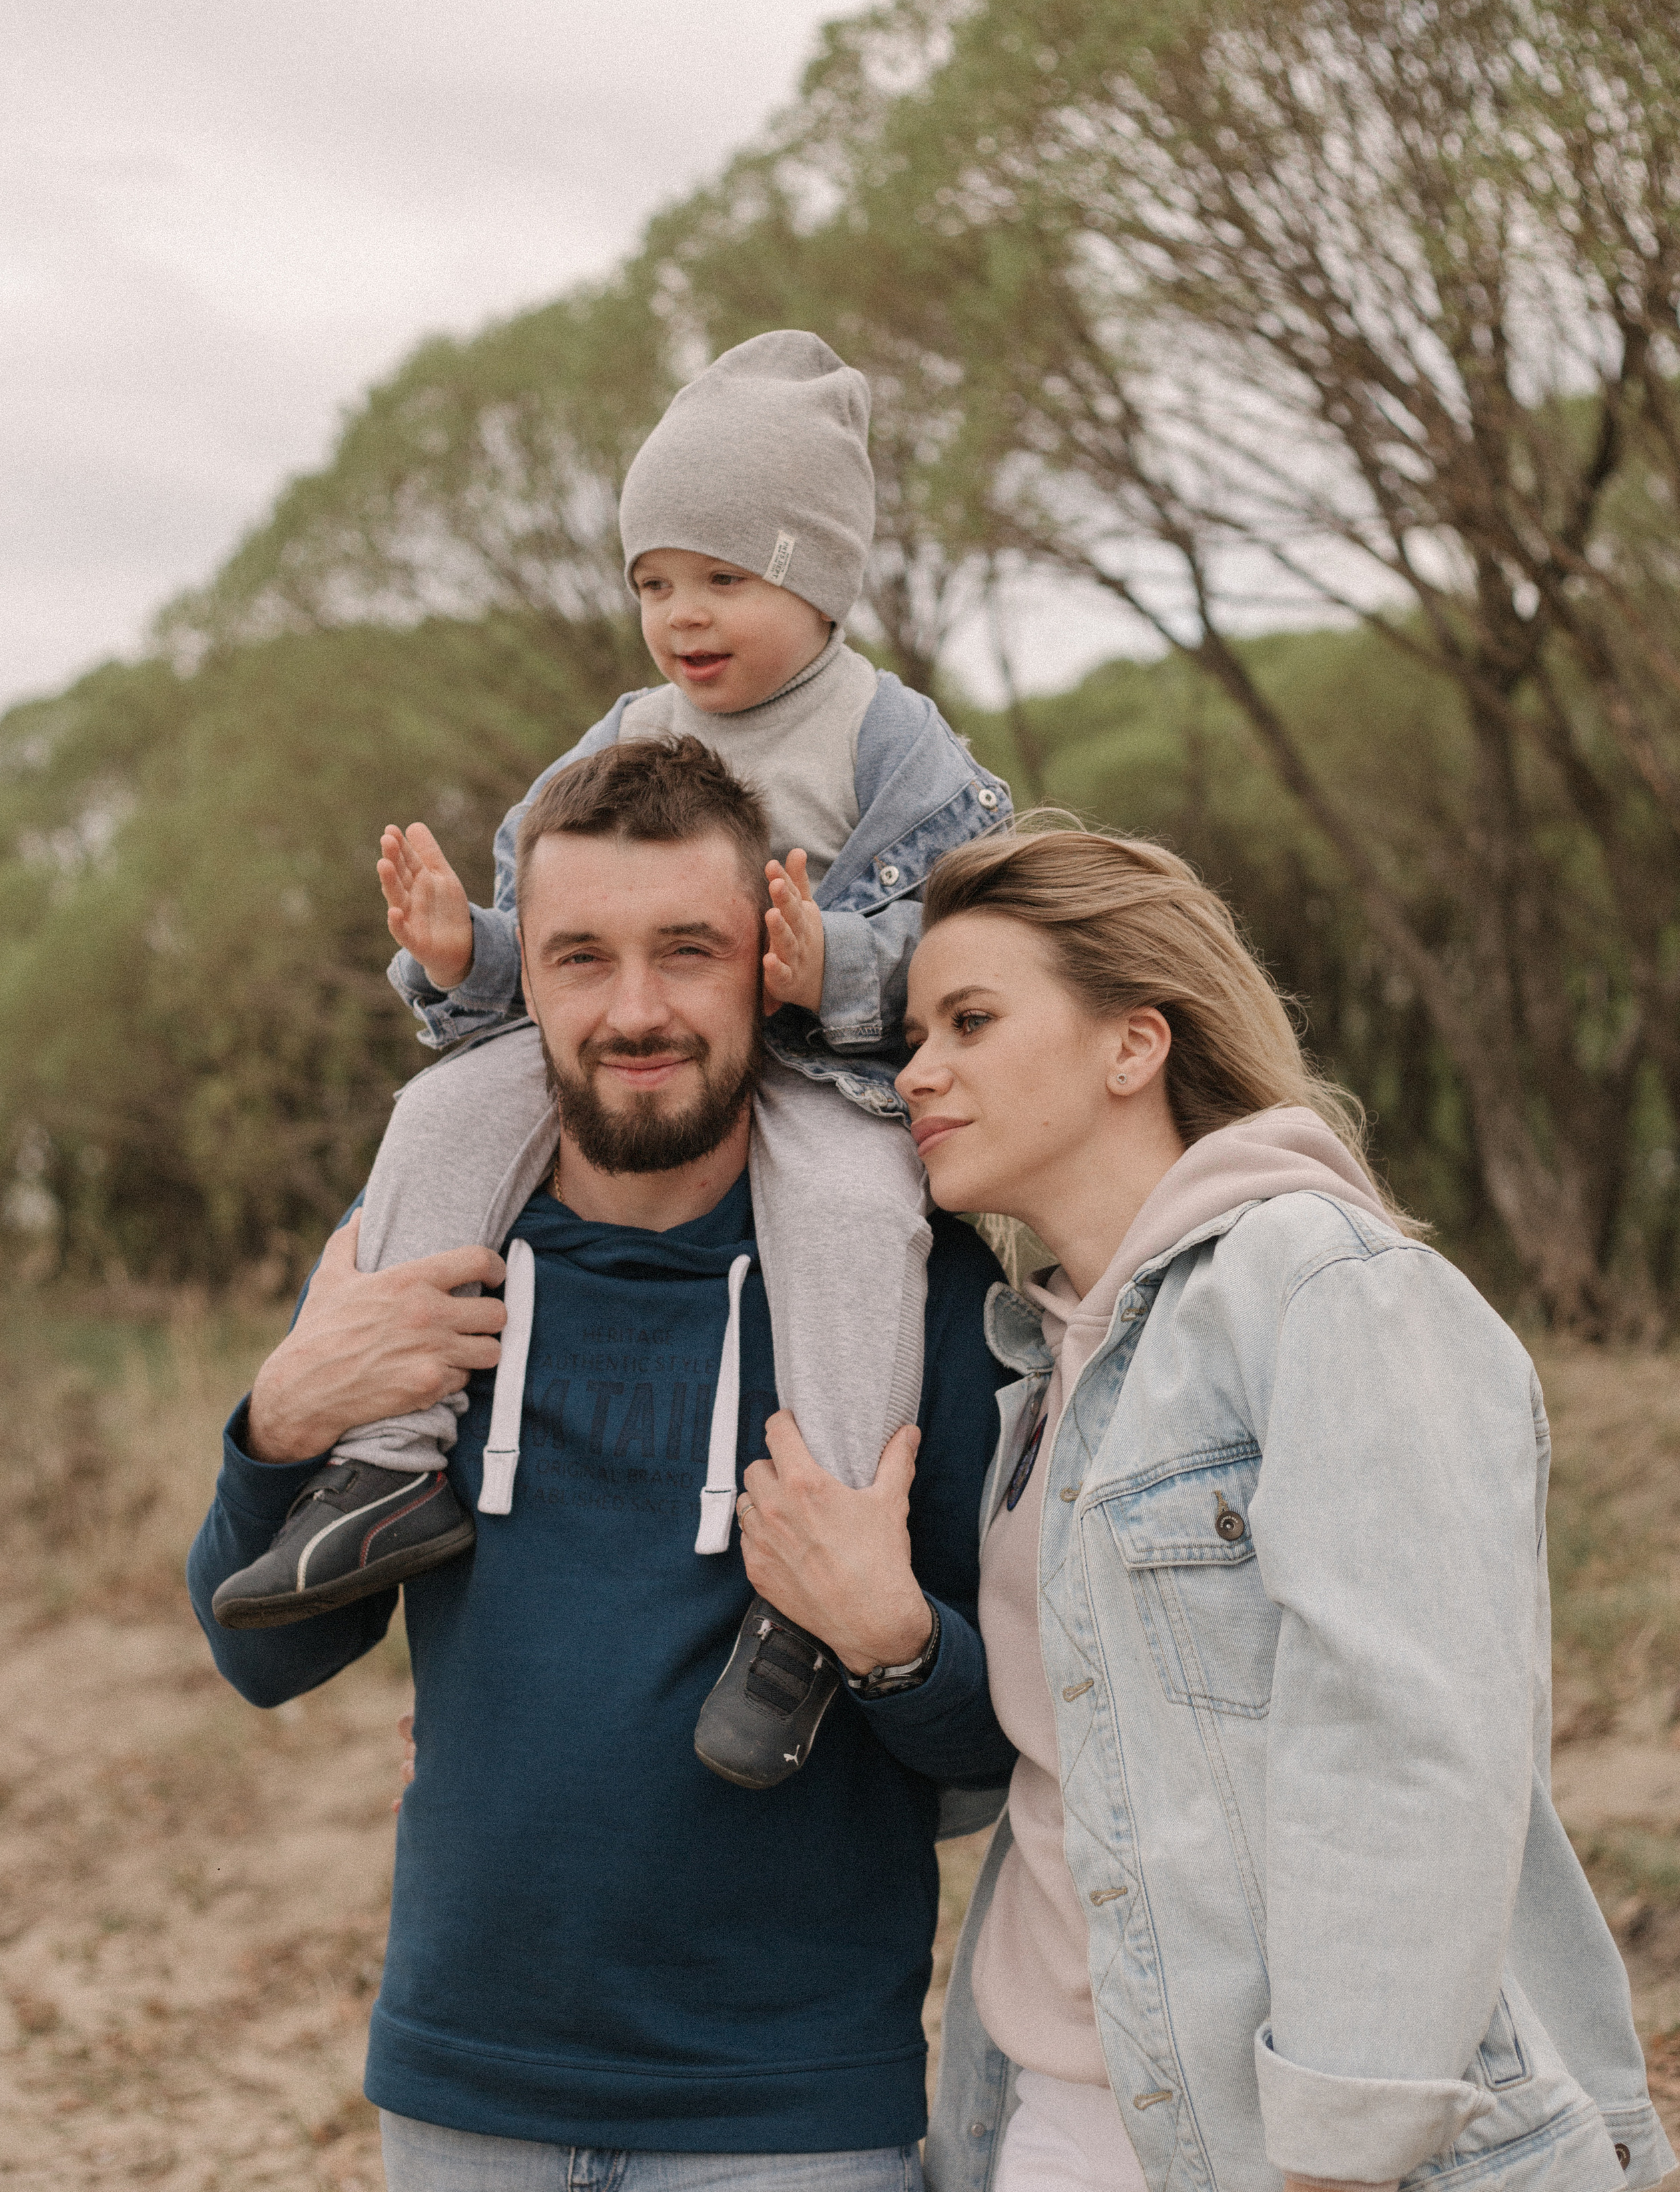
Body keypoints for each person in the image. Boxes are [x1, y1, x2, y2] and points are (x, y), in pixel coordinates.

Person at [186, 739, 1015, 2189]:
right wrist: (283, 1417)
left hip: (790, 2109)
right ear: (523, 980)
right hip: (460, 2087)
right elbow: (262, 1660)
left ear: (767, 953)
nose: (634, 1011)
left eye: (685, 952)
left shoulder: (900, 1283)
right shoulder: (438, 1252)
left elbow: (984, 1747)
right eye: (579, 958)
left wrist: (882, 1635)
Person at [800, 819, 1668, 2192]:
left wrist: (1337, 2150)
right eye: (913, 1033)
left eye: (968, 1020)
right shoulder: (1034, 1361)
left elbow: (1410, 1743)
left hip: (1296, 2141)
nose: (918, 1071)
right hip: (1038, 2108)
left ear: (1131, 1047)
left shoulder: (1322, 1289)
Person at [211, 329, 1009, 1790]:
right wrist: (468, 954)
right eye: (653, 583)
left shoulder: (886, 741)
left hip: (816, 1074)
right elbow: (555, 942)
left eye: (724, 577)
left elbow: (981, 937)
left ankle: (802, 1595)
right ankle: (385, 1466)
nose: (683, 618)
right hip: (468, 1977)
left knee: (848, 1210)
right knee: (445, 1101)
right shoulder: (629, 734)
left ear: (817, 578)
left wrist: (830, 966)